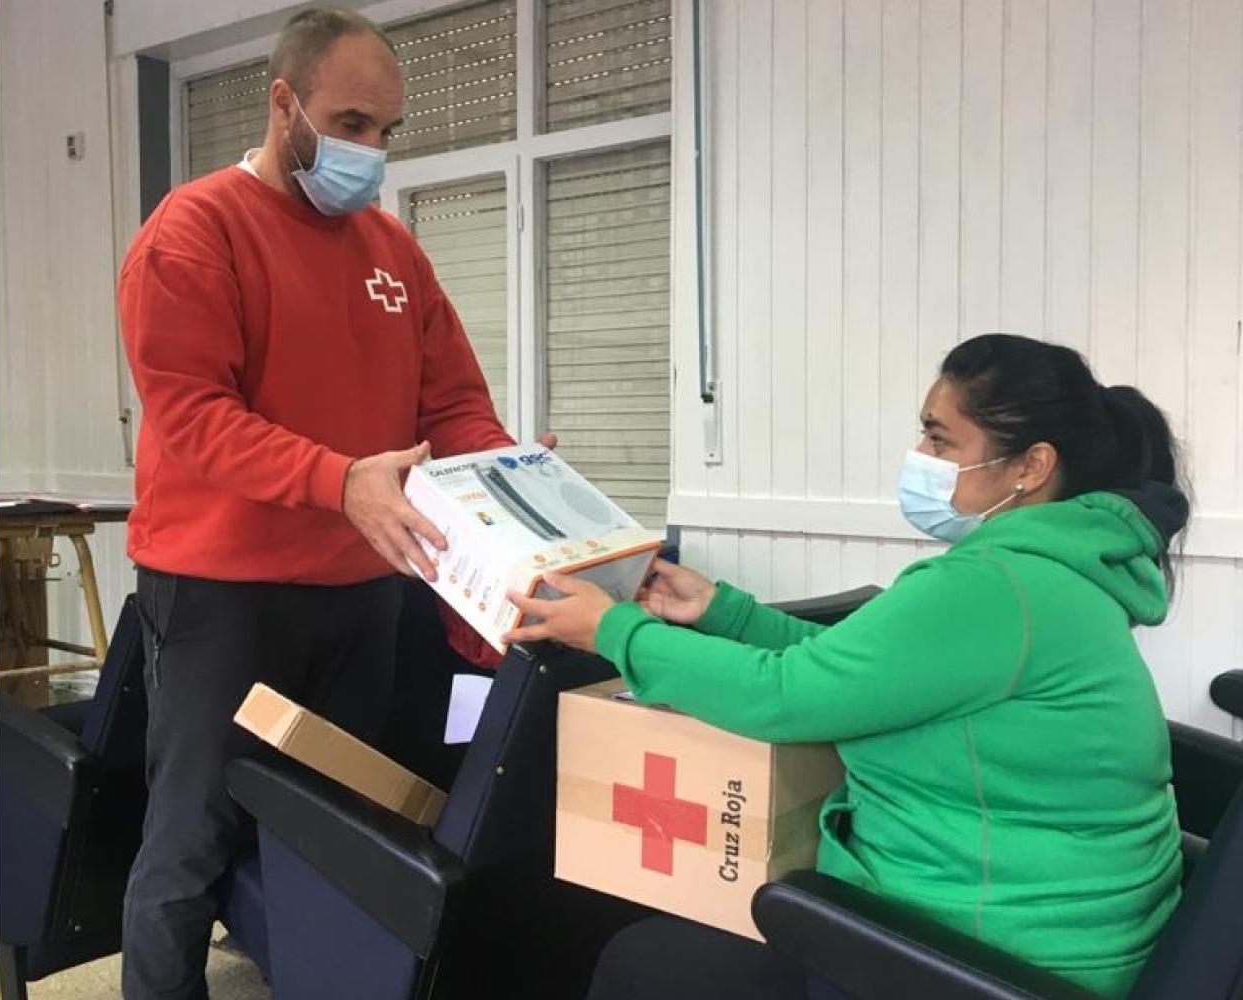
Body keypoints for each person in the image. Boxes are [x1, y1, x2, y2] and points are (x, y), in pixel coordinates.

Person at [506, 333, 1190, 1000]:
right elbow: (854, 671)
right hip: (1060, 932)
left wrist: (613, 631)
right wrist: (724, 613)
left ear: (1029, 467)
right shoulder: (1049, 575)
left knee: (641, 964)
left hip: (990, 954)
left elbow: (786, 695)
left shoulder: (993, 587)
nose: (920, 457)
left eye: (941, 440)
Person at [117, 9, 550, 998]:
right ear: (283, 103)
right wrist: (340, 479)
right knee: (190, 835)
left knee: (340, 828)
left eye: (385, 131)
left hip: (362, 593)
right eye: (350, 122)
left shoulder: (392, 250)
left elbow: (452, 402)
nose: (371, 150)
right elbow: (193, 417)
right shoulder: (194, 234)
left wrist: (515, 479)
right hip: (222, 597)